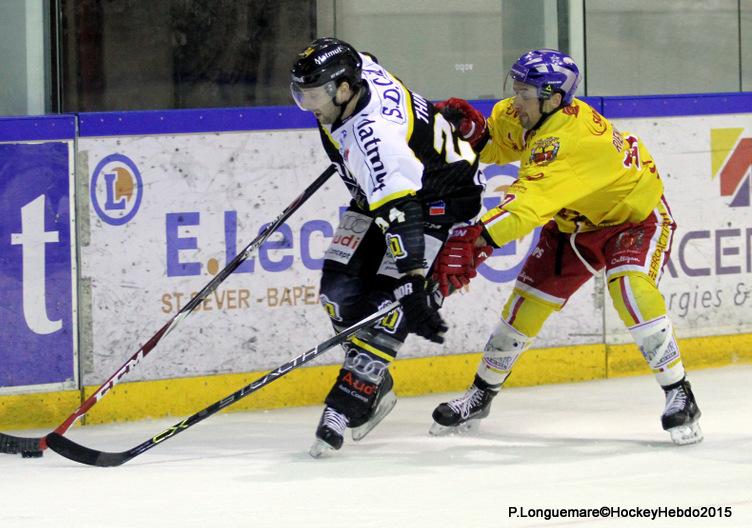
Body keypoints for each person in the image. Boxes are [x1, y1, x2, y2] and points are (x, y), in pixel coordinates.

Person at [429, 49, 702, 445]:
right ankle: (480, 395)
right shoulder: (531, 112)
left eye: (524, 94)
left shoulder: (569, 142)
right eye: (516, 89)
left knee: (630, 289)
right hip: (572, 223)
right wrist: (477, 134)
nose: (515, 101)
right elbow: (500, 145)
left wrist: (476, 240)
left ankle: (680, 392)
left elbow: (525, 207)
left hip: (633, 219)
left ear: (554, 98)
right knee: (524, 307)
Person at [289, 37, 484, 457]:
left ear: (344, 89)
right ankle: (375, 381)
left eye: (315, 95)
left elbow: (402, 211)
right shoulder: (354, 73)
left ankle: (349, 402)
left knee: (388, 306)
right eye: (301, 95)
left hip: (437, 203)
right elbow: (370, 60)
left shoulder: (375, 138)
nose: (309, 105)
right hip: (379, 193)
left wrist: (412, 279)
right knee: (336, 296)